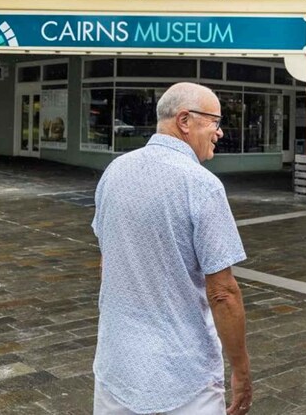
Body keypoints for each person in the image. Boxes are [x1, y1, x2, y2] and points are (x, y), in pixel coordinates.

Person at [91, 82, 252, 415]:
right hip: (184, 376)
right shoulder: (202, 184)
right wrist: (241, 370)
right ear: (184, 121)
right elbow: (223, 293)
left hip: (115, 366)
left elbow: (108, 259)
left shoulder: (113, 172)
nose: (220, 132)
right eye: (215, 122)